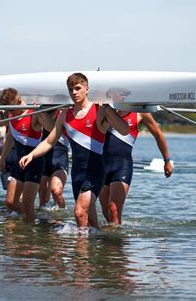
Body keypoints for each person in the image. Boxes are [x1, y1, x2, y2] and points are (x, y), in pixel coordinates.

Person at [19, 73, 129, 228]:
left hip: (95, 172)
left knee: (78, 212)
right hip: (77, 174)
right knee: (90, 222)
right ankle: (97, 247)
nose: (74, 93)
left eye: (78, 88)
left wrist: (108, 108)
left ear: (87, 89)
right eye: (71, 90)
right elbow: (50, 141)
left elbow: (124, 130)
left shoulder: (99, 110)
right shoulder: (65, 115)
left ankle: (80, 252)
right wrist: (31, 154)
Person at [98, 89, 173, 225]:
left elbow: (158, 134)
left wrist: (166, 160)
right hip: (102, 165)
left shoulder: (140, 113)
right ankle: (110, 244)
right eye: (119, 94)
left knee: (114, 209)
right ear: (110, 96)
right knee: (105, 211)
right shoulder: (103, 111)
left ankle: (116, 244)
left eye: (124, 94)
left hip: (122, 165)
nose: (122, 97)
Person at [0, 88, 54, 223]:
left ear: (18, 101)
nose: (8, 113)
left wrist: (40, 112)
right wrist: (3, 158)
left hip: (34, 163)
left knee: (27, 205)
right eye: (7, 110)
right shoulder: (12, 115)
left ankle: (31, 237)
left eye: (11, 110)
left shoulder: (33, 114)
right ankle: (36, 219)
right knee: (10, 203)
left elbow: (53, 128)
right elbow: (10, 136)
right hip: (19, 163)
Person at [38, 110, 69, 209]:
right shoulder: (41, 112)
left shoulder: (64, 114)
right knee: (42, 195)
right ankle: (43, 220)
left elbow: (52, 128)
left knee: (56, 191)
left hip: (60, 158)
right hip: (44, 158)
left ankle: (61, 215)